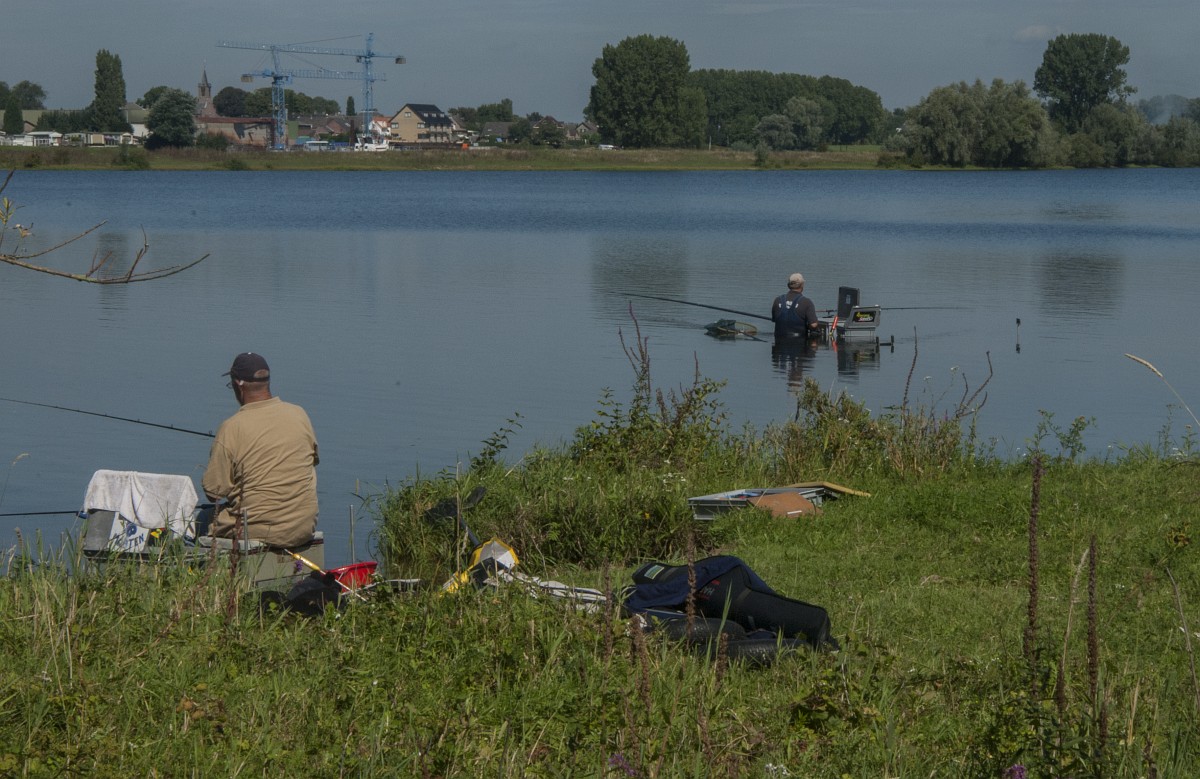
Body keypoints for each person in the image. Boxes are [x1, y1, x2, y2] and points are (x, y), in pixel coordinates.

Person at [201, 352, 319, 548]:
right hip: (302, 527)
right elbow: (311, 461)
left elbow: (214, 493)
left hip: (255, 530)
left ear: (238, 384)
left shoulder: (231, 427)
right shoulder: (299, 414)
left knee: (202, 517)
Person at [771, 272, 821, 340]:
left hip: (778, 340)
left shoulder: (777, 300)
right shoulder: (806, 302)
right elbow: (813, 325)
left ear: (789, 285)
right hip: (799, 341)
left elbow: (774, 319)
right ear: (802, 285)